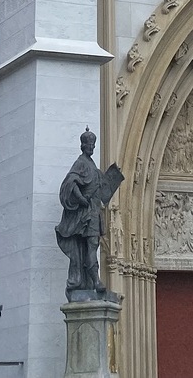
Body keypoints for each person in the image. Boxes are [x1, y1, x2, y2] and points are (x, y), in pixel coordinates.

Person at [54, 127, 123, 301]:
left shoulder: (92, 166)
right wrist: (81, 199)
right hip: (86, 215)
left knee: (91, 246)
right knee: (90, 246)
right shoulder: (81, 163)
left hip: (94, 213)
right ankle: (96, 281)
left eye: (93, 144)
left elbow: (102, 192)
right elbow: (70, 182)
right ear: (82, 145)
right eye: (88, 144)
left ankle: (91, 282)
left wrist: (112, 178)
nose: (91, 147)